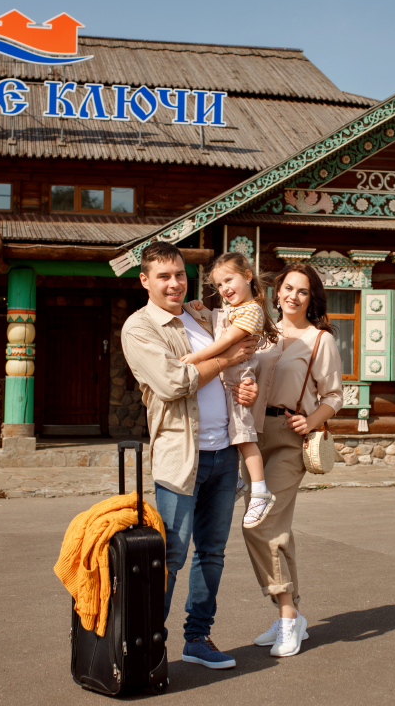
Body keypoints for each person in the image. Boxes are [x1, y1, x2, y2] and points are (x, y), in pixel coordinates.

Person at [119, 241, 257, 671]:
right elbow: (174, 382)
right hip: (181, 457)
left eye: (179, 274)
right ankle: (147, 647)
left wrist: (245, 385)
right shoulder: (140, 327)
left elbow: (243, 344)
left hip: (223, 452)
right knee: (171, 556)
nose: (174, 283)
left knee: (212, 553)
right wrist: (227, 359)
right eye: (164, 276)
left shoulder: (200, 316)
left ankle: (197, 638)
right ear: (145, 281)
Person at [242, 263, 343, 658]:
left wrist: (312, 419)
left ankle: (287, 615)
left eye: (302, 291)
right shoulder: (262, 335)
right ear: (277, 292)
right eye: (288, 288)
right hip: (252, 438)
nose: (293, 296)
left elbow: (334, 395)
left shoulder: (320, 340)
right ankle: (291, 614)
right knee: (274, 527)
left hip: (288, 438)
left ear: (311, 298)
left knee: (260, 523)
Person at [181, 252, 280, 529]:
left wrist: (196, 358)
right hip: (225, 381)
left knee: (243, 435)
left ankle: (259, 491)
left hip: (237, 381)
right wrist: (198, 309)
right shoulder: (231, 310)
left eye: (229, 280)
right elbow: (215, 325)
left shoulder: (252, 310)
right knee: (230, 432)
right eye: (219, 285)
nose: (224, 288)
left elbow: (225, 341)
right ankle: (236, 480)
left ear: (247, 276)